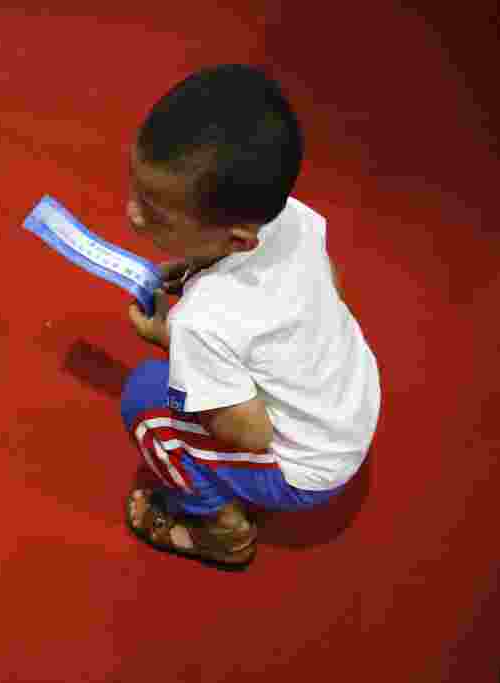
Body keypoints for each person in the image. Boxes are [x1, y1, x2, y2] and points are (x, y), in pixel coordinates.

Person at [120, 64, 381, 567]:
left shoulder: (201, 323)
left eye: (155, 212)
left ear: (236, 240)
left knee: (145, 397)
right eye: (136, 190)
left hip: (305, 470)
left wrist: (175, 345)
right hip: (351, 405)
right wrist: (202, 265)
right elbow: (329, 284)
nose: (132, 213)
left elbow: (249, 433)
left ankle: (219, 529)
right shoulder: (292, 218)